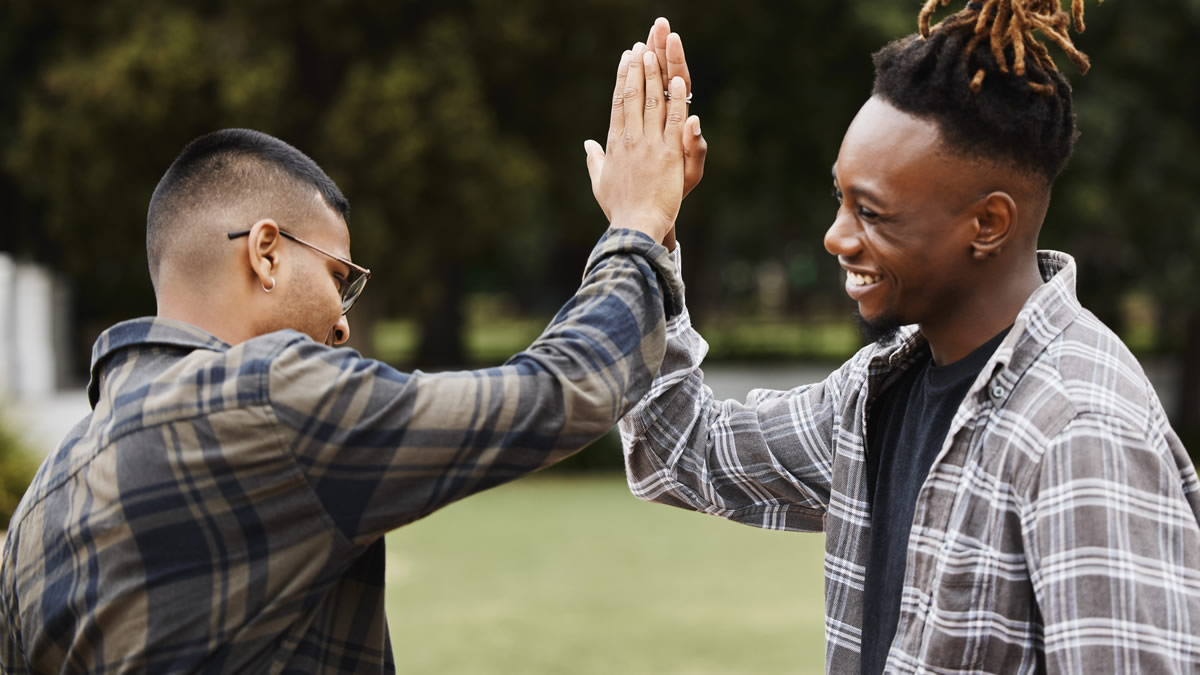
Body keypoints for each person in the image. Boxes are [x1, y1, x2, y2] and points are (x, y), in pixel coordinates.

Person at [0, 35, 706, 672]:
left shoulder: (38, 508)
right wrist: (639, 225)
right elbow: (562, 392)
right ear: (267, 252)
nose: (342, 324)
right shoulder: (268, 399)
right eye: (340, 279)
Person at [619, 5, 1200, 673]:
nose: (836, 237)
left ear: (987, 223)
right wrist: (646, 234)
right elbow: (681, 449)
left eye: (871, 211)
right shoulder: (878, 396)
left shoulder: (1076, 431)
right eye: (840, 199)